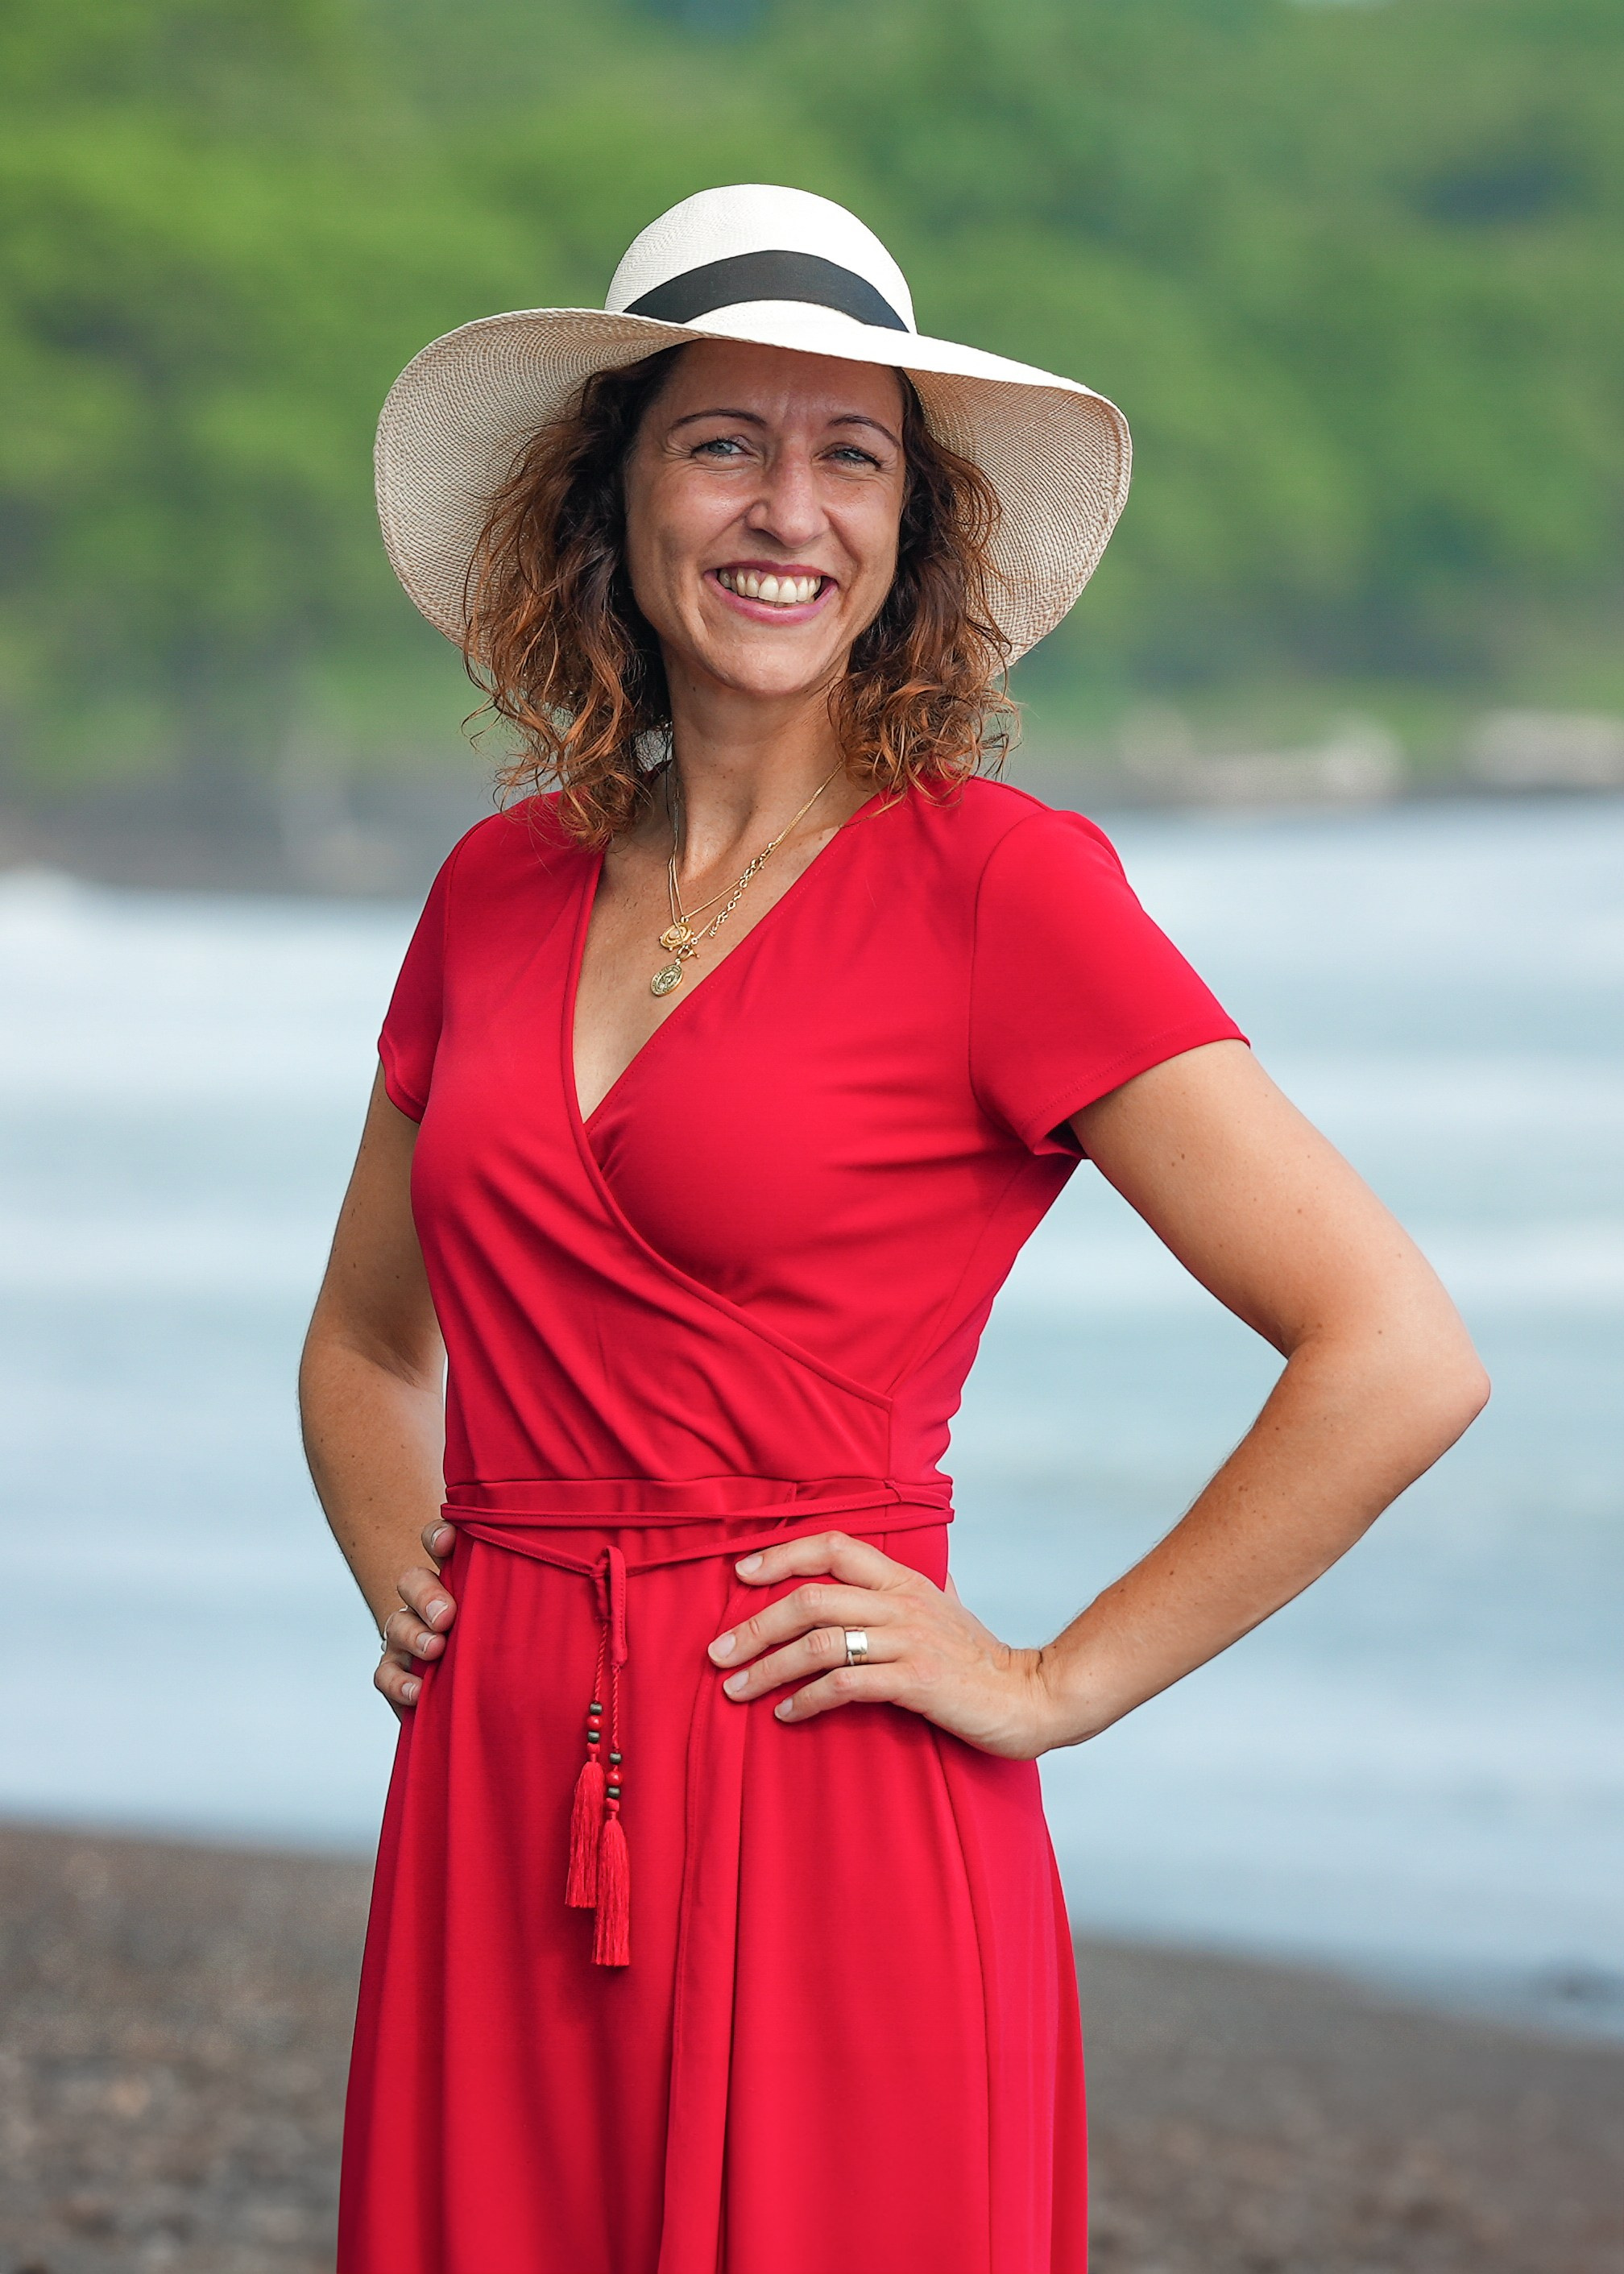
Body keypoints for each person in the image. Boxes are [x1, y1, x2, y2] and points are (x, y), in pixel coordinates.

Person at [299, 184, 1488, 2274]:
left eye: (851, 453)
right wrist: (421, 1573)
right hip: (494, 1798)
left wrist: (1055, 1678)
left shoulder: (1002, 891)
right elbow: (365, 1346)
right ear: (618, 494)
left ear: (913, 532)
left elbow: (1394, 1347)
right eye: (725, 441)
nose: (790, 509)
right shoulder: (491, 893)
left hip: (835, 1802)